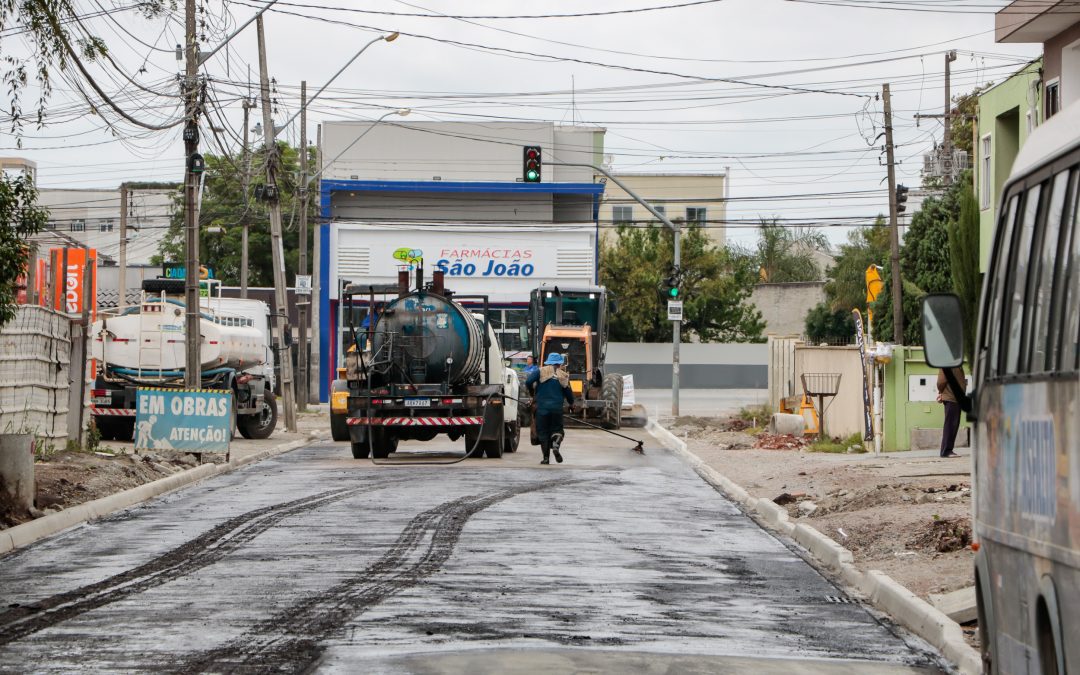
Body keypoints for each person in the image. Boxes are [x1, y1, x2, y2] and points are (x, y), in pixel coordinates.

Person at [526, 352, 575, 464]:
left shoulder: (540, 371)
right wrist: (572, 405)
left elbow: (528, 381)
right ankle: (556, 445)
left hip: (542, 408)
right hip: (557, 409)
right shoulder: (563, 375)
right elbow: (569, 393)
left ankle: (546, 458)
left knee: (543, 432)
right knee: (557, 430)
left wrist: (532, 391)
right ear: (559, 364)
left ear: (548, 361)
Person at [937, 366, 967, 458]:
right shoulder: (948, 363)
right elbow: (941, 382)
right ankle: (946, 451)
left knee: (953, 425)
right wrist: (941, 392)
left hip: (955, 398)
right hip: (951, 398)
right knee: (950, 425)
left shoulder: (956, 364)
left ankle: (947, 450)